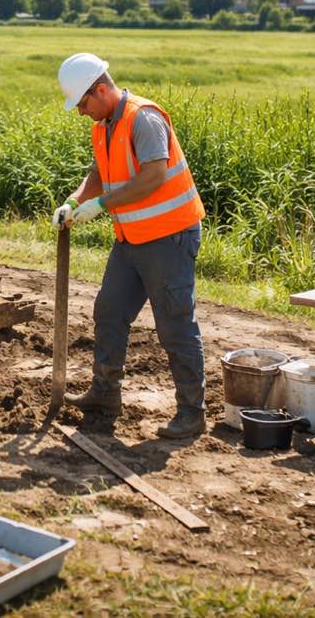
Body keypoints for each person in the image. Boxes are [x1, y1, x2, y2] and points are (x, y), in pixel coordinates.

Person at [53, 53, 208, 438]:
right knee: (109, 311)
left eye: (83, 103)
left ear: (101, 90)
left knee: (174, 324)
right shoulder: (104, 124)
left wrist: (102, 205)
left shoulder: (144, 119)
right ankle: (106, 394)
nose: (80, 112)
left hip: (169, 239)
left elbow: (153, 176)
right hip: (133, 239)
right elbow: (99, 174)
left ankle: (192, 412)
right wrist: (74, 201)